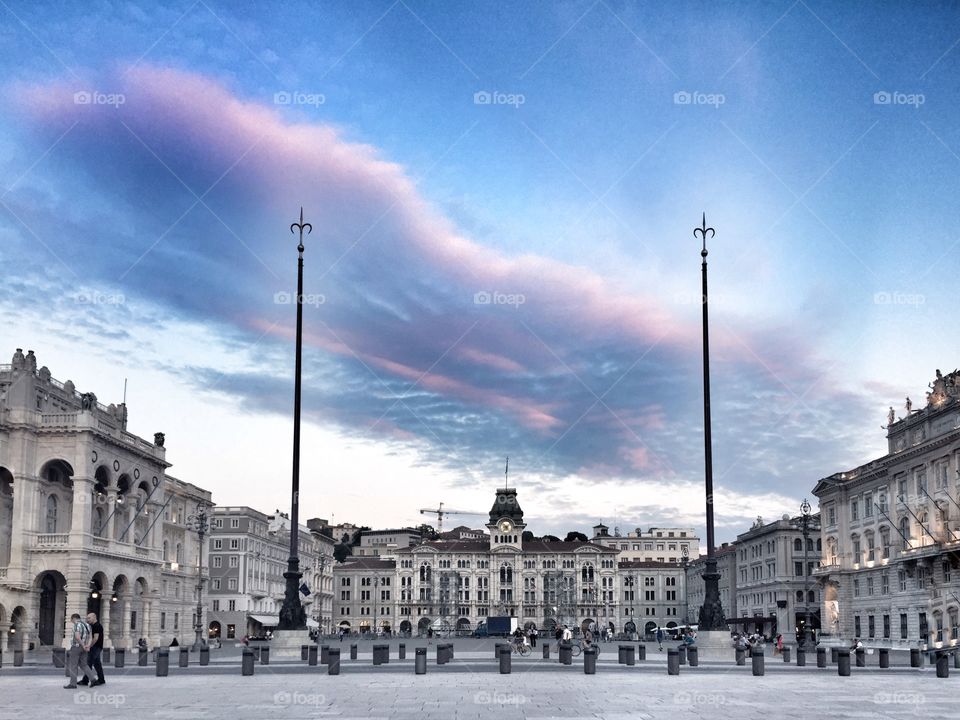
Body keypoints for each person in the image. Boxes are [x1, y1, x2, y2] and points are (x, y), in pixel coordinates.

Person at [64, 613, 97, 689]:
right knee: (84, 665)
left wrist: (82, 645)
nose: (71, 621)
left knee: (73, 665)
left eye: (71, 620)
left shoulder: (76, 625)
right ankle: (93, 679)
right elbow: (90, 637)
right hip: (85, 648)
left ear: (73, 618)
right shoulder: (87, 625)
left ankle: (73, 684)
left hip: (76, 647)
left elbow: (77, 637)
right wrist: (87, 646)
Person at [78, 612, 105, 687]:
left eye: (89, 618)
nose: (87, 619)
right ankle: (101, 679)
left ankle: (85, 680)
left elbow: (95, 638)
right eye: (87, 618)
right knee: (97, 664)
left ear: (94, 617)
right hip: (97, 647)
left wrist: (89, 646)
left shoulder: (96, 626)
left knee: (88, 663)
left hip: (95, 647)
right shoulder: (94, 626)